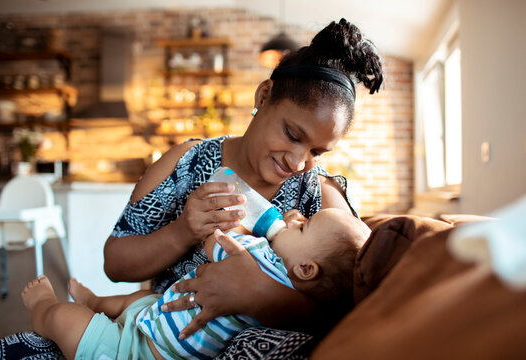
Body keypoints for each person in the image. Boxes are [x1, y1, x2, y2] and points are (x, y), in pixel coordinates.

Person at [102, 17, 383, 340]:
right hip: (159, 341)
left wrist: (260, 294)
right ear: (264, 96)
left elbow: (355, 309)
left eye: (317, 152)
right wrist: (183, 232)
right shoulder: (187, 163)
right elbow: (114, 264)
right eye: (292, 134)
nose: (297, 162)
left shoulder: (321, 197)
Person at [21, 208, 370, 359]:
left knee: (65, 318)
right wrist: (293, 231)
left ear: (307, 269)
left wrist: (256, 226)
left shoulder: (258, 256)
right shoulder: (298, 297)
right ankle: (96, 302)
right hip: (158, 316)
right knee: (137, 301)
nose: (296, 218)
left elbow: (212, 242)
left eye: (305, 227)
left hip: (139, 353)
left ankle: (43, 306)